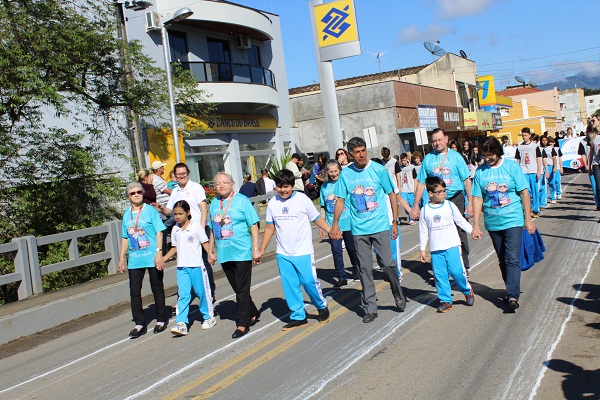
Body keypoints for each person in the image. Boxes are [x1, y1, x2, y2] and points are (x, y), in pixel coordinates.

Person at [330, 137, 406, 324]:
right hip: (358, 230)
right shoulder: (346, 174)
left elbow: (391, 195)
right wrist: (335, 224)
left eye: (363, 150)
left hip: (380, 226)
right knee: (364, 268)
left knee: (387, 264)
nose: (362, 154)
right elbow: (340, 200)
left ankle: (397, 292)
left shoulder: (378, 170)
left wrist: (395, 221)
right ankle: (370, 307)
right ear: (351, 154)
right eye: (357, 152)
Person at [256, 169, 331, 330]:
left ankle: (321, 306)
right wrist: (261, 249)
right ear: (275, 187)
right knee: (290, 285)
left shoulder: (302, 199)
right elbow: (270, 227)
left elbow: (316, 218)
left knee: (308, 282)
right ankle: (298, 316)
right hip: (283, 253)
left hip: (303, 251)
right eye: (280, 187)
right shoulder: (273, 203)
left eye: (286, 187)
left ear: (292, 186)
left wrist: (331, 230)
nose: (283, 190)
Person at [471, 137, 536, 311]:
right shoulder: (480, 172)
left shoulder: (511, 167)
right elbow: (477, 198)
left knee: (512, 258)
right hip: (493, 222)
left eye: (490, 155)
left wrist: (528, 219)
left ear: (497, 152)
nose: (487, 159)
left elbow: (524, 193)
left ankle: (513, 295)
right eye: (485, 156)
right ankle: (510, 287)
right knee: (502, 259)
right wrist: (476, 225)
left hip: (513, 219)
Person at [409, 128, 473, 274]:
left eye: (439, 140)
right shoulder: (428, 159)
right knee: (436, 232)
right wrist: (415, 206)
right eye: (434, 141)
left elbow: (466, 181)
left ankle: (463, 265)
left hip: (454, 198)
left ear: (446, 139)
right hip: (435, 202)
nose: (437, 143)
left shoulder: (456, 157)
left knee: (460, 231)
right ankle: (441, 267)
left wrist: (470, 203)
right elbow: (421, 183)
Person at [209, 172, 262, 338]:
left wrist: (255, 249)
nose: (222, 186)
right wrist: (210, 251)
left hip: (242, 251)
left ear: (232, 184)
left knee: (241, 289)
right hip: (224, 253)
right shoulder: (214, 203)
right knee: (237, 287)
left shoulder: (242, 200)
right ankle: (253, 311)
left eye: (225, 182)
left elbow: (254, 225)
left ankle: (242, 323)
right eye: (218, 183)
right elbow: (212, 229)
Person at [155, 162, 216, 302]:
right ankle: (183, 297)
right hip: (183, 231)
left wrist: (201, 228)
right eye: (178, 174)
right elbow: (169, 211)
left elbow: (203, 208)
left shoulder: (195, 187)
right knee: (185, 262)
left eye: (184, 173)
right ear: (175, 176)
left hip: (198, 228)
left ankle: (209, 292)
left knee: (203, 261)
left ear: (188, 173)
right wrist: (161, 209)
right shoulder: (175, 191)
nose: (181, 176)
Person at [118, 182, 167, 338]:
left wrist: (159, 253)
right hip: (135, 259)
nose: (136, 195)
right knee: (134, 291)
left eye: (139, 192)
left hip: (152, 256)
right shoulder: (126, 214)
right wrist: (121, 257)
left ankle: (161, 319)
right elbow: (125, 237)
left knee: (157, 287)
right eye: (132, 193)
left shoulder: (150, 210)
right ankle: (139, 323)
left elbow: (159, 232)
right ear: (128, 196)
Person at [419, 176, 475, 313]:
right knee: (440, 276)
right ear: (430, 193)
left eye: (444, 191)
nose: (443, 194)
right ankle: (445, 300)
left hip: (452, 246)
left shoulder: (450, 205)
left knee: (457, 272)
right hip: (436, 249)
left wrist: (473, 231)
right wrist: (422, 249)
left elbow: (460, 221)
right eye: (439, 192)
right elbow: (423, 231)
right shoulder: (425, 210)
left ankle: (467, 291)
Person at [162, 200, 216, 336]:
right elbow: (174, 247)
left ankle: (209, 317)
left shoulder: (196, 227)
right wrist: (163, 258)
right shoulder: (175, 229)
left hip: (197, 266)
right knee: (183, 295)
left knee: (201, 293)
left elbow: (205, 243)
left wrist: (210, 255)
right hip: (182, 268)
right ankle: (181, 323)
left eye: (180, 214)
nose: (177, 217)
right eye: (175, 214)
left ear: (188, 213)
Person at [319, 160, 360, 287]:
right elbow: (323, 207)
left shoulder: (345, 182)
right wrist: (322, 226)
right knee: (336, 251)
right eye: (331, 171)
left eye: (336, 171)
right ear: (327, 172)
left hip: (347, 221)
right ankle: (341, 276)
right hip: (332, 225)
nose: (334, 174)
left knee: (351, 249)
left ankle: (356, 269)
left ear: (340, 170)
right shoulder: (324, 187)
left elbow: (353, 201)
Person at [514, 127, 543, 218]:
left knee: (535, 191)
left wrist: (539, 171)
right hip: (524, 171)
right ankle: (528, 208)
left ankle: (536, 209)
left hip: (533, 170)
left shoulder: (535, 146)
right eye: (523, 135)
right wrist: (517, 172)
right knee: (526, 191)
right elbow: (518, 160)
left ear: (529, 135)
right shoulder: (519, 147)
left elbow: (538, 159)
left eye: (525, 135)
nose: (524, 137)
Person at [398, 153, 416, 224]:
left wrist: (415, 188)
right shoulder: (399, 168)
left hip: (411, 188)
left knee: (411, 204)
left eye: (404, 160)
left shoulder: (412, 167)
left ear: (407, 159)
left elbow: (415, 178)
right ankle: (410, 217)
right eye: (402, 161)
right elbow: (398, 177)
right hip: (403, 189)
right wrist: (399, 187)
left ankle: (410, 216)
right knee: (405, 203)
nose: (403, 162)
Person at [588, 116, 600, 219]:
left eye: (594, 120)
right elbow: (591, 151)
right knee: (599, 188)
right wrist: (590, 165)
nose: (592, 122)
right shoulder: (593, 136)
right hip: (596, 164)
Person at [539, 136, 555, 208]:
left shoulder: (551, 148)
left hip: (550, 166)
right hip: (543, 167)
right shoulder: (539, 148)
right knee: (543, 184)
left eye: (545, 140)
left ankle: (553, 197)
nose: (544, 142)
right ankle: (544, 198)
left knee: (551, 182)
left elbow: (554, 158)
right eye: (543, 140)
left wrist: (555, 166)